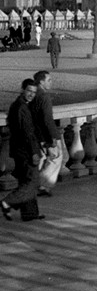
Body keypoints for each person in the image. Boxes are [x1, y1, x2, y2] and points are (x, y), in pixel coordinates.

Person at [1, 79, 46, 222]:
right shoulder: (22, 108)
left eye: (34, 92)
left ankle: (30, 213)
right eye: (29, 91)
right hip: (26, 151)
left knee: (26, 180)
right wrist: (34, 152)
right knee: (32, 181)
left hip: (19, 150)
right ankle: (8, 201)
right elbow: (28, 133)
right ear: (22, 90)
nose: (31, 95)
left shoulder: (17, 105)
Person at [30, 71, 60, 196]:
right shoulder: (45, 97)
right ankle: (42, 185)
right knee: (55, 158)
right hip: (45, 134)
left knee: (41, 160)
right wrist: (53, 136)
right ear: (41, 82)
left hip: (35, 133)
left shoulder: (32, 94)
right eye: (49, 80)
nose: (51, 82)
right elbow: (48, 119)